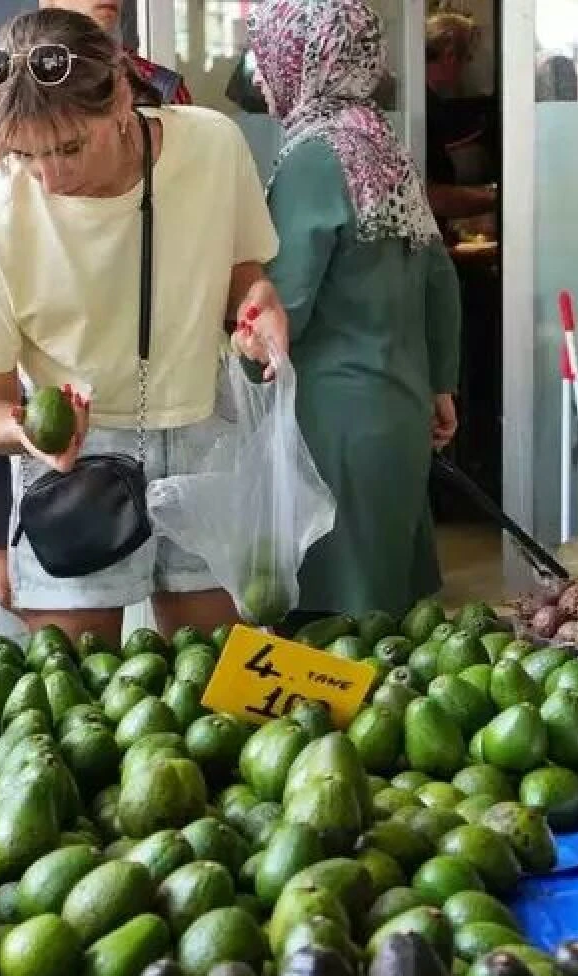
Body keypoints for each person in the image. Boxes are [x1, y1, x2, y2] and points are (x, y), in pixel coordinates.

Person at [0, 8, 286, 646]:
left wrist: (257, 306)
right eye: (25, 154)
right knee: (73, 679)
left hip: (206, 433)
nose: (51, 177)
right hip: (77, 460)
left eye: (70, 147)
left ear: (122, 96)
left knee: (212, 670)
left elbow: (244, 274)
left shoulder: (212, 148)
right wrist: (28, 431)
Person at [0, 0, 190, 611]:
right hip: (28, 390)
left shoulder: (162, 91)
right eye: (28, 157)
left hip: (159, 399)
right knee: (30, 591)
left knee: (175, 606)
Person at [248, 0, 462, 620]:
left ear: (301, 60)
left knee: (332, 630)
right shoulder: (383, 147)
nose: (261, 75)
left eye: (267, 57)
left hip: (331, 430)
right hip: (398, 410)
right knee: (388, 618)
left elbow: (284, 308)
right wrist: (440, 385)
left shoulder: (313, 160)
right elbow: (440, 277)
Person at [424, 11, 495, 224]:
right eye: (467, 59)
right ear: (450, 56)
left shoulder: (426, 101)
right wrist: (499, 197)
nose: (467, 68)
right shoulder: (424, 108)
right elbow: (431, 195)